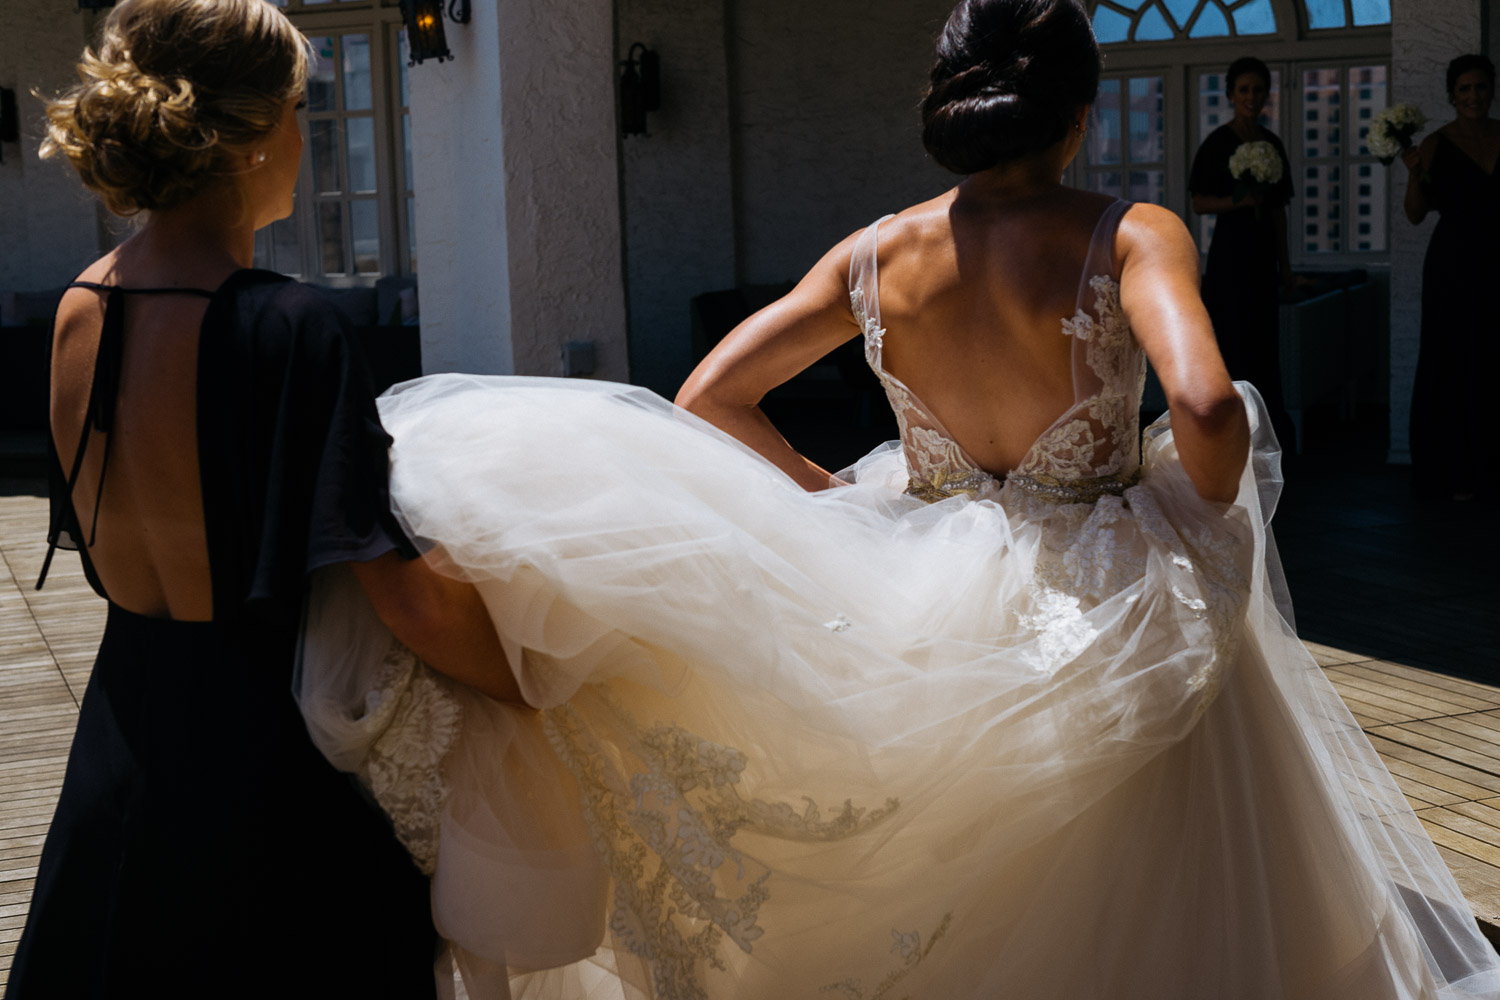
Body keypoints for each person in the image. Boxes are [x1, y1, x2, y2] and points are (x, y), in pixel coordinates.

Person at [297, 1, 1500, 997]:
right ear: (1078, 117)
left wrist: (832, 499)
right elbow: (1208, 407)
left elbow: (709, 394)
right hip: (1110, 576)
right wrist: (1202, 502)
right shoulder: (1129, 232)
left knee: (952, 858)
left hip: (925, 561)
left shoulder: (876, 252)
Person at [7, 2, 521, 996]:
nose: (300, 133)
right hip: (267, 775)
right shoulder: (290, 325)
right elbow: (401, 595)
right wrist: (535, 679)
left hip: (120, 744)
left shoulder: (77, 307)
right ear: (246, 138)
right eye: (295, 106)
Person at [1402, 54, 1500, 501]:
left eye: (1480, 87)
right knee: (1456, 357)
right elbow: (1416, 214)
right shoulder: (1437, 144)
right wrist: (1413, 173)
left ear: (1490, 91)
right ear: (1452, 96)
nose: (1474, 96)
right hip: (1454, 264)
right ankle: (1455, 471)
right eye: (1465, 90)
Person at [1189, 56, 1298, 453]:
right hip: (1230, 259)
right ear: (1231, 95)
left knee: (1264, 347)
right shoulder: (1217, 144)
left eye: (1258, 90)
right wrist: (1239, 202)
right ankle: (1228, 440)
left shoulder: (1272, 145)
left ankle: (1268, 440)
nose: (1251, 97)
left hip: (1262, 258)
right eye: (1244, 90)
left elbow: (1279, 211)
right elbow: (1199, 203)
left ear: (1266, 94)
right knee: (1231, 343)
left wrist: (1285, 267)